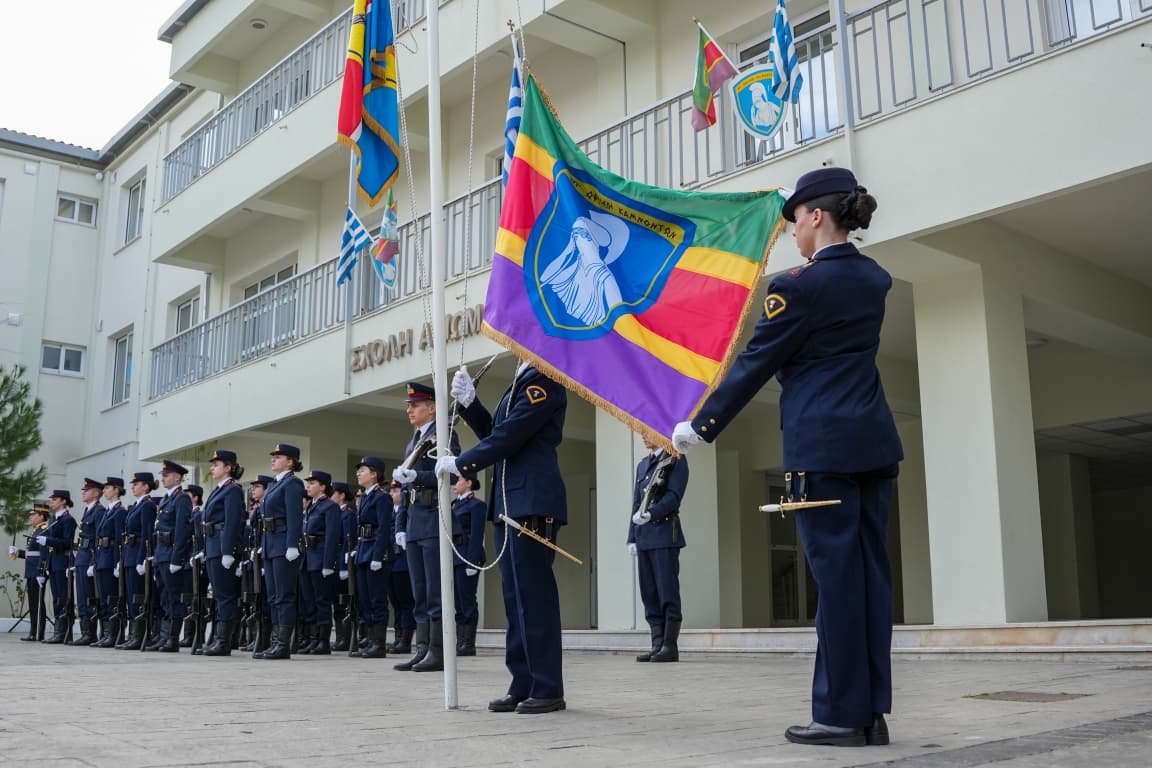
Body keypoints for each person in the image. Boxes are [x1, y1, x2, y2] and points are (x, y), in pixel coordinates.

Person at [671, 167, 902, 748]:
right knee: (870, 581)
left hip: (821, 450)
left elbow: (756, 362)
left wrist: (701, 425)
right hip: (872, 445)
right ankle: (871, 711)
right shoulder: (875, 278)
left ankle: (840, 715)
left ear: (816, 216)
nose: (792, 233)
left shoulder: (797, 287)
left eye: (795, 220)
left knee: (837, 586)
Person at [437, 359, 568, 715]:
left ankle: (547, 686)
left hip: (530, 502)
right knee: (515, 599)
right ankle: (522, 682)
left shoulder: (546, 379)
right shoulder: (521, 380)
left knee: (534, 598)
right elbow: (497, 432)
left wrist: (463, 463)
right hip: (510, 502)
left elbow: (511, 436)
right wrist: (471, 405)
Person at [392, 381, 459, 673]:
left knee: (435, 590)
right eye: (409, 406)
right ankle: (421, 649)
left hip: (433, 515)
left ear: (432, 408)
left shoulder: (444, 434)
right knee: (419, 589)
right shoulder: (414, 439)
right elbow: (406, 488)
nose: (409, 410)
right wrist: (401, 523)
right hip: (416, 519)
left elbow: (451, 474)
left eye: (415, 405)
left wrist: (415, 477)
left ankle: (438, 650)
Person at [628, 435, 688, 663]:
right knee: (649, 593)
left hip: (664, 533)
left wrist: (652, 513)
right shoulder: (643, 465)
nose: (643, 435)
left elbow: (674, 496)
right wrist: (632, 536)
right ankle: (656, 644)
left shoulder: (675, 458)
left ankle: (669, 646)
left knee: (666, 591)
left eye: (647, 431)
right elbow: (636, 503)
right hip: (644, 537)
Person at [254, 443, 305, 660]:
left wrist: (293, 544)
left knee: (284, 595)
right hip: (271, 544)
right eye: (273, 456)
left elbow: (295, 516)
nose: (273, 459)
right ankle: (275, 642)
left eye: (278, 456)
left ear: (290, 461)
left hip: (284, 544)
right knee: (274, 596)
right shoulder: (276, 484)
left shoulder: (293, 483)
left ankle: (283, 644)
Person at [539, 213, 626, 326]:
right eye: (574, 235)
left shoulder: (603, 274)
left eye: (581, 234)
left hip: (594, 333)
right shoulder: (577, 265)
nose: (577, 238)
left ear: (591, 239)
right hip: (568, 327)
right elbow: (545, 277)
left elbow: (618, 311)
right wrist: (568, 250)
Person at [201, 450, 246, 656]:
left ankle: (224, 641)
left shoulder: (233, 490)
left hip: (222, 548)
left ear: (228, 467)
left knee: (226, 596)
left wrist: (228, 551)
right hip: (212, 546)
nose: (212, 467)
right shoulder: (219, 489)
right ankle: (218, 639)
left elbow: (232, 522)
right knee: (219, 595)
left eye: (216, 464)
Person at [147, 460, 193, 653]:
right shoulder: (166, 499)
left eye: (166, 475)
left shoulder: (181, 499)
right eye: (163, 475)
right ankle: (164, 637)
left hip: (171, 554)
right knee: (164, 597)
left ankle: (172, 639)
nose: (163, 478)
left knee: (173, 598)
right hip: (161, 553)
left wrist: (177, 558)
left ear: (177, 477)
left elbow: (182, 530)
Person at [351, 456, 394, 660]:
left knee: (377, 600)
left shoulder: (381, 497)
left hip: (375, 553)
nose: (359, 473)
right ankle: (369, 640)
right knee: (365, 600)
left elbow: (384, 528)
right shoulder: (367, 496)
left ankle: (378, 643)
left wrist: (378, 555)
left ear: (374, 473)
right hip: (363, 551)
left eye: (363, 470)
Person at [300, 470, 341, 655]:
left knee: (321, 600)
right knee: (309, 601)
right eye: (307, 483)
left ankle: (323, 641)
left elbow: (332, 537)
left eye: (312, 483)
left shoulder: (329, 507)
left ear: (323, 486)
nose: (308, 486)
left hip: (320, 558)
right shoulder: (312, 506)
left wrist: (328, 564)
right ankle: (312, 639)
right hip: (308, 558)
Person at [116, 472, 158, 650]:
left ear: (146, 487)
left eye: (137, 484)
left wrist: (143, 559)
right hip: (129, 555)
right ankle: (133, 634)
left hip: (137, 556)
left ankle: (139, 635)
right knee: (130, 597)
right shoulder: (136, 506)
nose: (132, 487)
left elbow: (146, 534)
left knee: (137, 598)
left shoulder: (147, 506)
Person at [450, 475, 486, 656]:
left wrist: (472, 560)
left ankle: (468, 643)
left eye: (458, 480)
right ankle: (460, 641)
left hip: (467, 556)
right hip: (455, 556)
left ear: (469, 483)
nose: (454, 484)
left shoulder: (477, 505)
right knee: (457, 601)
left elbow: (478, 536)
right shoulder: (453, 505)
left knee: (467, 600)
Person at [70, 478, 106, 646]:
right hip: (82, 557)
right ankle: (86, 631)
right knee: (82, 597)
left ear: (97, 493)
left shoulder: (99, 511)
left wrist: (93, 561)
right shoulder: (88, 510)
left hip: (89, 557)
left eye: (87, 489)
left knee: (89, 597)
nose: (83, 492)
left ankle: (90, 633)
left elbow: (98, 539)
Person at [92, 477, 128, 648]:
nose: (104, 491)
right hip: (101, 558)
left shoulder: (120, 511)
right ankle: (106, 633)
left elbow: (119, 540)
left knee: (111, 599)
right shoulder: (108, 511)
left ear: (116, 489)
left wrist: (117, 562)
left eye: (107, 488)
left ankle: (114, 634)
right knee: (103, 599)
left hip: (109, 559)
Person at [40, 490, 77, 644]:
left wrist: (48, 541)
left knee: (63, 597)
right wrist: (47, 563)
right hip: (54, 561)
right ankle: (58, 631)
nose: (52, 502)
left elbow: (67, 542)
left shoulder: (68, 520)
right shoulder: (54, 519)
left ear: (63, 501)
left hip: (63, 560)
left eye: (55, 499)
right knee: (56, 597)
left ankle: (65, 631)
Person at [9, 504, 50, 641]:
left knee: (37, 603)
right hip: (31, 570)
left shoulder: (44, 530)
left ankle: (38, 632)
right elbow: (31, 553)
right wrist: (18, 552)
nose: (30, 517)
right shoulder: (36, 531)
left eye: (34, 514)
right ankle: (33, 631)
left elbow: (43, 553)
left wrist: (41, 571)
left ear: (41, 516)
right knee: (33, 602)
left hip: (37, 571)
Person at [385, 480, 415, 653]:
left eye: (395, 491)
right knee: (395, 601)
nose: (392, 494)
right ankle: (398, 637)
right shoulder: (390, 512)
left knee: (405, 602)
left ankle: (405, 639)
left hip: (403, 561)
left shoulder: (406, 513)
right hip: (391, 561)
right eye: (391, 491)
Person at [330, 481, 356, 652]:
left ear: (342, 496)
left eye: (334, 493)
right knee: (336, 603)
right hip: (333, 563)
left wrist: (344, 566)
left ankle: (346, 638)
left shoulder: (348, 515)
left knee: (344, 603)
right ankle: (339, 637)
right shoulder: (333, 513)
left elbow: (347, 541)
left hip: (342, 563)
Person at [184, 484, 206, 651]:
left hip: (197, 562)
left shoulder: (198, 515)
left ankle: (197, 635)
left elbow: (199, 537)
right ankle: (188, 635)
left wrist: (199, 554)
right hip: (189, 561)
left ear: (196, 497)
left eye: (188, 495)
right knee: (189, 600)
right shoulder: (188, 514)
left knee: (197, 600)